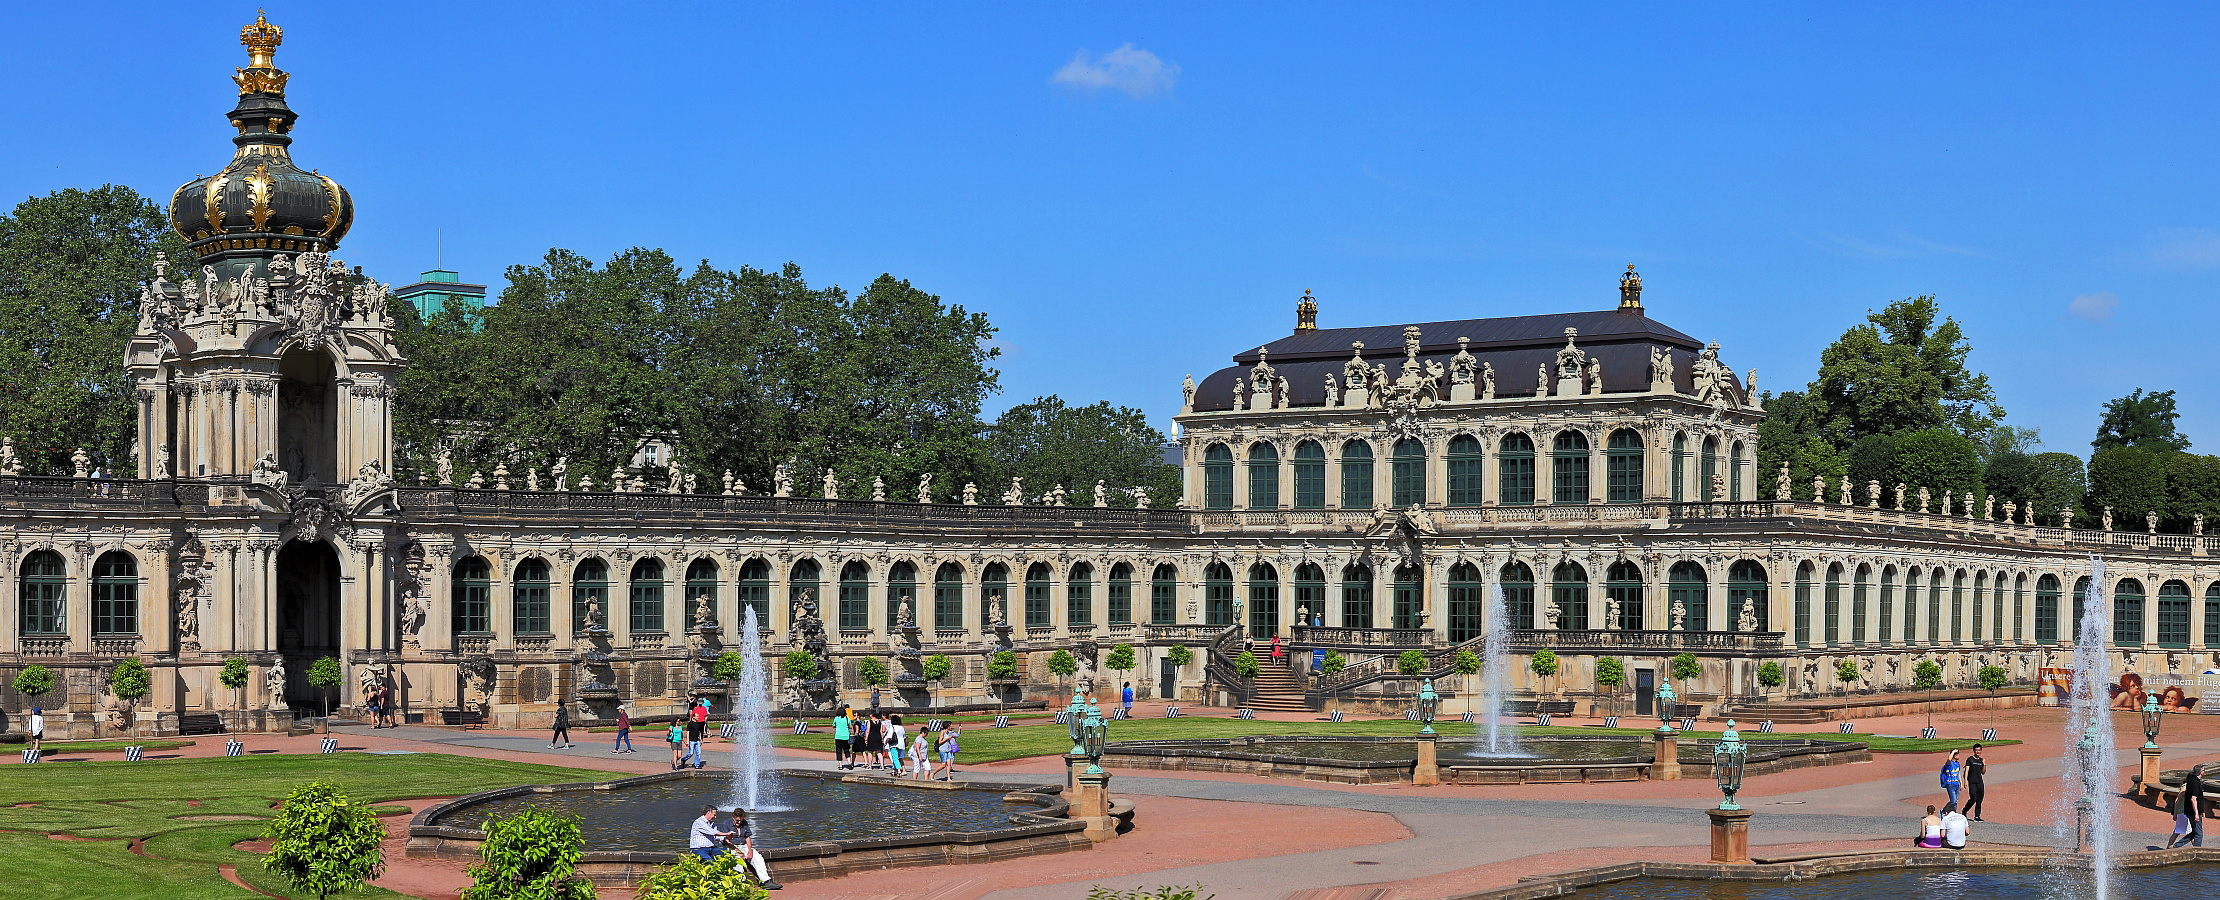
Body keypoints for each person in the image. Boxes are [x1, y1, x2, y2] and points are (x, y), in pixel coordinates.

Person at [721, 808, 781, 890]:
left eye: (741, 820)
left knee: (758, 858)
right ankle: (740, 884)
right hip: (732, 847)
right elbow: (726, 841)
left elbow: (747, 837)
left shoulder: (744, 823)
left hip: (744, 845)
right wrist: (738, 852)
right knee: (738, 862)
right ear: (733, 817)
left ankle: (766, 881)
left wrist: (750, 850)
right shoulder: (726, 824)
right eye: (737, 820)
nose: (739, 822)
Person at [2171, 764, 2206, 849]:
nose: (2205, 772)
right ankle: (2197, 852)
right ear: (2201, 772)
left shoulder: (2192, 780)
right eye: (2204, 770)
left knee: (2194, 832)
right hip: (2193, 812)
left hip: (2189, 811)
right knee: (2199, 834)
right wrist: (2197, 814)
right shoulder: (2194, 782)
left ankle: (2176, 846)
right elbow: (2193, 799)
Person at [1963, 744, 1986, 821]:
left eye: (1979, 750)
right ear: (1974, 751)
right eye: (1976, 750)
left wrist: (1984, 765)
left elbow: (1983, 772)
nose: (1978, 752)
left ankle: (1977, 816)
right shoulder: (1970, 759)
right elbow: (1967, 770)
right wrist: (1965, 780)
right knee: (1973, 798)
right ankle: (1965, 810)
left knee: (1980, 799)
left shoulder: (1981, 760)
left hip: (1980, 782)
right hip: (1972, 782)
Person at [686, 698, 709, 769]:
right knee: (700, 731)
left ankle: (697, 765)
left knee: (699, 731)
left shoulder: (695, 708)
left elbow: (692, 714)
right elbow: (705, 714)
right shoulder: (703, 708)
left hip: (699, 722)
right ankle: (684, 760)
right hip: (701, 721)